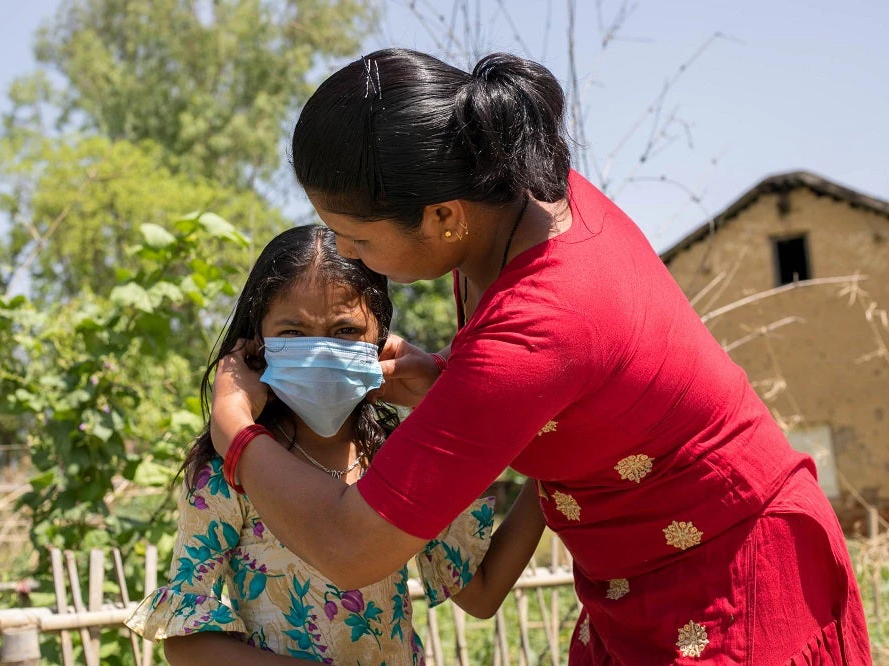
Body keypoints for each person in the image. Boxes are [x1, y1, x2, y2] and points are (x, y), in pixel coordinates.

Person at [207, 49, 872, 664]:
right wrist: (445, 381)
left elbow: (350, 547)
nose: (348, 255)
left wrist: (235, 430)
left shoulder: (538, 324)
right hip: (638, 580)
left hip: (729, 579)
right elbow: (572, 394)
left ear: (443, 217)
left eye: (356, 239)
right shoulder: (524, 196)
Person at [126, 225, 546, 665]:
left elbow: (480, 593)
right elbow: (185, 642)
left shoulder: (395, 456)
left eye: (344, 330)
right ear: (256, 343)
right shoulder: (231, 472)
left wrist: (556, 461)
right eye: (292, 333)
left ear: (380, 340)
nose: (319, 351)